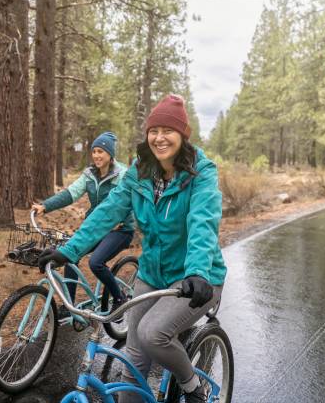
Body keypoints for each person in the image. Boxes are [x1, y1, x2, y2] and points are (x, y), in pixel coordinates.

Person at [39, 95, 226, 403]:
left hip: (199, 277)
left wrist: (197, 272)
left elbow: (202, 224)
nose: (159, 137)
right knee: (134, 361)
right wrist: (69, 251)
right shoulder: (139, 172)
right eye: (154, 130)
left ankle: (193, 387)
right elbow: (108, 211)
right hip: (152, 273)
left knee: (154, 334)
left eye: (168, 130)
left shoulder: (201, 174)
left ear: (183, 135)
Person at [33, 131, 135, 319]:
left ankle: (120, 299)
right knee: (70, 256)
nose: (96, 155)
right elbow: (70, 194)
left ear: (110, 154)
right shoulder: (89, 174)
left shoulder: (123, 175)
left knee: (96, 262)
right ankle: (69, 306)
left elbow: (130, 202)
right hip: (96, 227)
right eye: (94, 151)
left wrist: (122, 221)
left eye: (101, 151)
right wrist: (45, 206)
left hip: (120, 229)